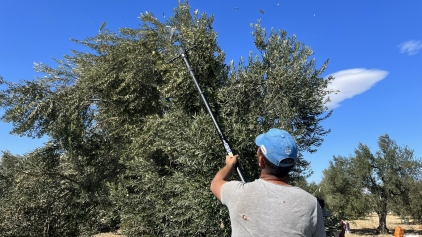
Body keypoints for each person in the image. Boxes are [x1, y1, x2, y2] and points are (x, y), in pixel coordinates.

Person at [210, 128, 326, 237]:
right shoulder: (310, 204)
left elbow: (216, 183)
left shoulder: (237, 193)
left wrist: (229, 165)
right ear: (293, 165)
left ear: (261, 161)